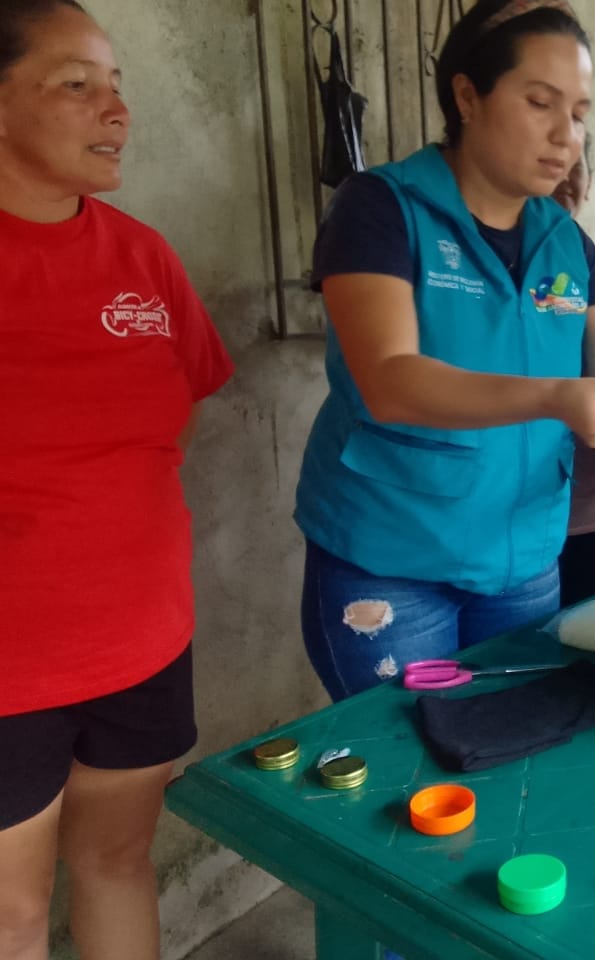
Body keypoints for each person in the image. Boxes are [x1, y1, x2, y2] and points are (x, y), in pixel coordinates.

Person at [295, 1, 595, 699]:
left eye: (578, 113)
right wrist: (557, 397)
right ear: (467, 97)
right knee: (409, 756)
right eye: (540, 103)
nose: (565, 136)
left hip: (522, 564)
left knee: (511, 744)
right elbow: (388, 382)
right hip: (391, 564)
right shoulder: (382, 209)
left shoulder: (565, 241)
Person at [0, 2, 234, 958]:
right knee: (11, 912)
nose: (115, 109)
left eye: (117, 85)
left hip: (142, 639)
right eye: (76, 84)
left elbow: (180, 412)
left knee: (117, 860)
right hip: (12, 664)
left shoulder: (141, 257)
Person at [551, 137, 595, 607]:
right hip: (437, 520)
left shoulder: (578, 252)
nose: (564, 176)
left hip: (580, 508)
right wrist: (555, 398)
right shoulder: (390, 203)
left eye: (577, 166)